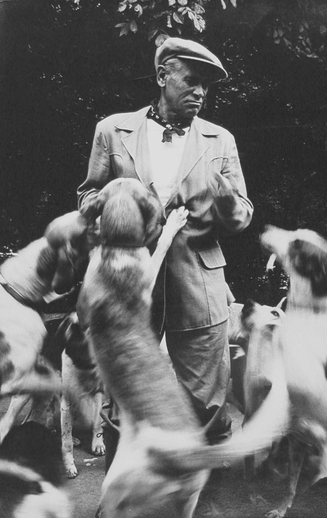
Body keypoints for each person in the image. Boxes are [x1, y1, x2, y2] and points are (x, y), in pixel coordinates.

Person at [77, 37, 254, 465]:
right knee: (123, 382)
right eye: (191, 81)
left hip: (199, 278)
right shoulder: (112, 130)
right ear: (162, 76)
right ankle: (122, 484)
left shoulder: (220, 140)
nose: (200, 93)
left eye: (206, 87)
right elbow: (87, 197)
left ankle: (202, 491)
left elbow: (242, 216)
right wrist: (109, 213)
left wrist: (227, 198)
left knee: (206, 391)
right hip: (129, 279)